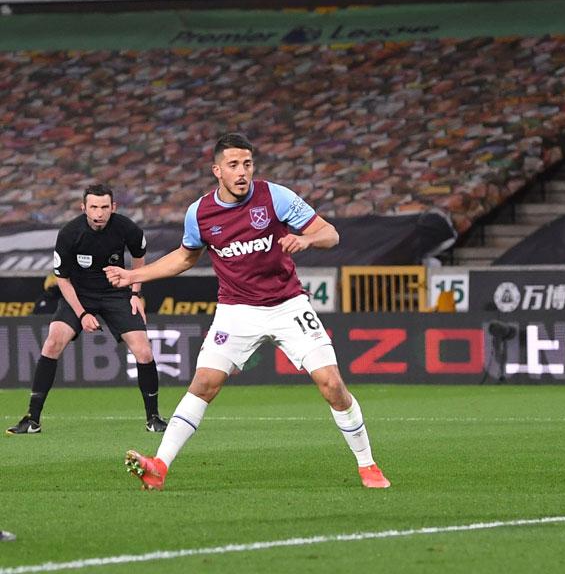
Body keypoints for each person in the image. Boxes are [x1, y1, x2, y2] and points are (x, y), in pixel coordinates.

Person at [105, 132, 390, 491]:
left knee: (332, 384)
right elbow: (185, 257)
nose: (242, 172)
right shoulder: (201, 212)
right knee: (204, 384)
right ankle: (159, 466)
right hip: (236, 310)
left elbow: (330, 233)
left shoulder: (275, 196)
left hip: (287, 305)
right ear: (217, 171)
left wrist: (307, 238)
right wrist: (134, 275)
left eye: (248, 164)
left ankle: (368, 466)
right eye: (234, 165)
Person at [6, 184, 167, 436]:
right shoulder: (70, 233)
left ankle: (154, 418)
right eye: (93, 207)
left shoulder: (127, 228)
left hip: (116, 293)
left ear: (113, 207)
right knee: (52, 343)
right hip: (79, 294)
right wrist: (82, 314)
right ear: (84, 208)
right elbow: (62, 279)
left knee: (144, 350)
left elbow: (139, 259)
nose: (99, 213)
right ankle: (32, 419)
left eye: (104, 207)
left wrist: (135, 293)